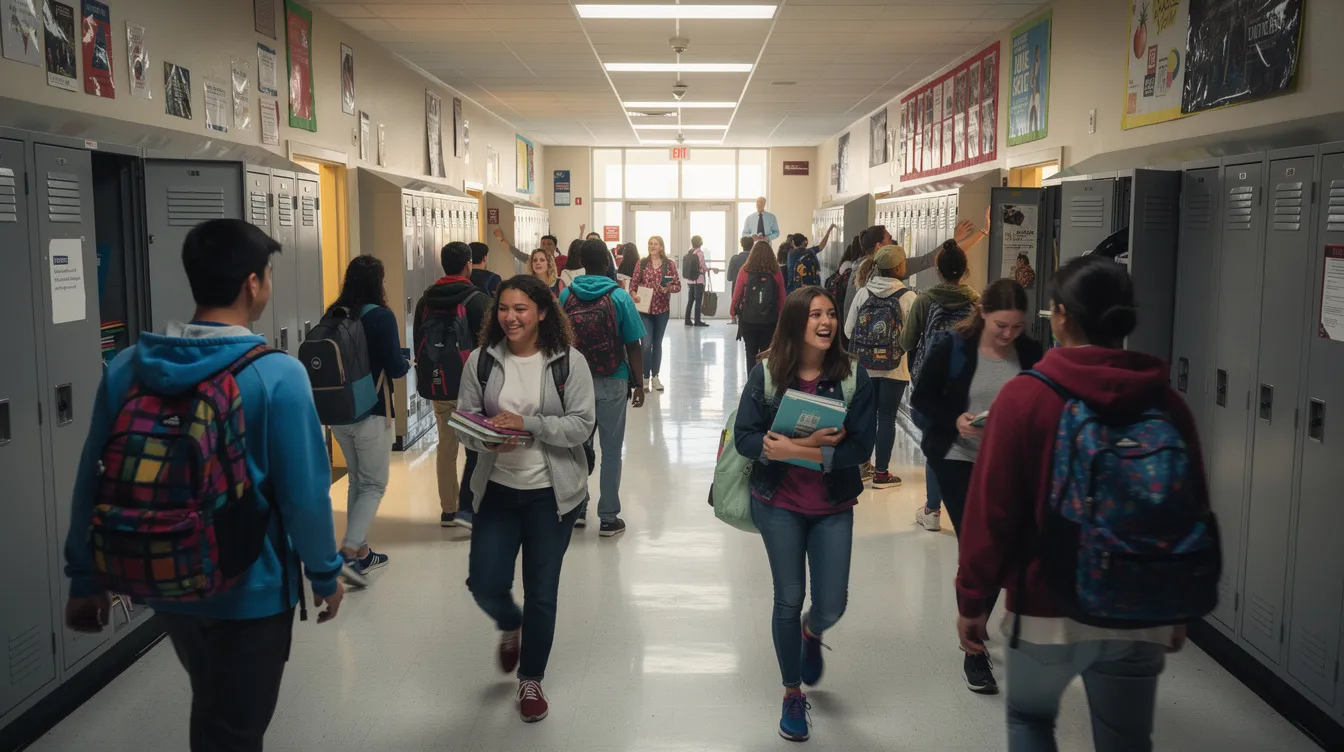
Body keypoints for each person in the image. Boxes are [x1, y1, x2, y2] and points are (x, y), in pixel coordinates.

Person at [62, 218, 345, 751]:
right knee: (234, 729)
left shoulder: (128, 366)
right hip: (249, 587)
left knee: (215, 706)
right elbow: (305, 495)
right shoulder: (276, 375)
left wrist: (84, 575)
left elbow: (91, 482)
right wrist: (325, 573)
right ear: (252, 284)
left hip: (163, 573)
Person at [955, 256, 1202, 750]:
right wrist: (1178, 607)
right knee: (1126, 739)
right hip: (1140, 608)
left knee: (1030, 722)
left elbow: (992, 515)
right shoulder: (1167, 405)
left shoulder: (1025, 399)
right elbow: (1189, 514)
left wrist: (972, 600)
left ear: (1060, 316)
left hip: (1046, 606)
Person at [733, 286, 876, 743]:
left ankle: (812, 632)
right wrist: (807, 448)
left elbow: (859, 448)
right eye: (816, 314)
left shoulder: (854, 376)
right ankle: (792, 692)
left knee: (832, 601)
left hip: (832, 504)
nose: (827, 322)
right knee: (788, 598)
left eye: (832, 313)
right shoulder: (768, 374)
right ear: (797, 321)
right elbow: (746, 438)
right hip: (779, 503)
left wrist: (796, 448)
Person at [455, 274, 596, 724]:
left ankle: (531, 679)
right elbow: (463, 421)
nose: (510, 317)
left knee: (542, 592)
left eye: (520, 309)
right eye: (503, 309)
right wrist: (484, 440)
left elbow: (581, 426)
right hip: (497, 489)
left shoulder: (567, 363)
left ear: (540, 313)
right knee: (484, 581)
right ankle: (509, 622)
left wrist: (529, 425)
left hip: (550, 495)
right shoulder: (481, 360)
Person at [911, 277, 1042, 694]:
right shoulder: (952, 347)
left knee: (1004, 548)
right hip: (958, 459)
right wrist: (955, 420)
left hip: (1009, 463)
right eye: (1001, 325)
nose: (1008, 334)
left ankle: (980, 621)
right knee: (977, 548)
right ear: (983, 312)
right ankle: (974, 649)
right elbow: (921, 401)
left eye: (1016, 327)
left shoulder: (1032, 353)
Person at [326, 256, 411, 584]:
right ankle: (347, 553)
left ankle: (361, 552)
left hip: (337, 412)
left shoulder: (333, 314)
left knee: (358, 481)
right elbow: (394, 367)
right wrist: (406, 362)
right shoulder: (381, 317)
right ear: (379, 281)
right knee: (374, 484)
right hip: (371, 411)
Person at [560, 239, 646, 536]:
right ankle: (608, 518)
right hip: (613, 378)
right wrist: (639, 383)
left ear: (582, 260)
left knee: (578, 447)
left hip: (576, 382)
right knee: (611, 451)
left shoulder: (566, 295)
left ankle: (579, 508)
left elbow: (558, 343)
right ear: (608, 262)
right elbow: (633, 343)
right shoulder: (619, 296)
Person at [900, 241, 980, 532]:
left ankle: (933, 510)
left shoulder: (924, 300)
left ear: (938, 269)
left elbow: (907, 342)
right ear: (965, 270)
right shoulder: (976, 301)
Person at [418, 241, 493, 530]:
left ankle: (448, 510)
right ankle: (470, 507)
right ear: (468, 265)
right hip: (473, 386)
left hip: (441, 383)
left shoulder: (427, 300)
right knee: (476, 449)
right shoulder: (479, 300)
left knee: (446, 448)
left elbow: (420, 344)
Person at [844, 245, 917, 490]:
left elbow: (847, 331)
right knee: (886, 417)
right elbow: (914, 338)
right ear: (898, 268)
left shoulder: (863, 293)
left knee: (865, 415)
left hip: (864, 367)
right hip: (895, 369)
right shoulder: (908, 297)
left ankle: (863, 465)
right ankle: (882, 474)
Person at [630, 234, 681, 392]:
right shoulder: (642, 263)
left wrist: (668, 288)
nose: (652, 246)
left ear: (661, 247)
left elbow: (678, 286)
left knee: (657, 343)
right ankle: (645, 378)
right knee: (645, 344)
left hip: (662, 309)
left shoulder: (669, 264)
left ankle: (656, 377)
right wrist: (634, 296)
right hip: (644, 309)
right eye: (650, 243)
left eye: (656, 244)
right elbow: (632, 285)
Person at [730, 240, 786, 367]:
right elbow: (782, 297)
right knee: (766, 354)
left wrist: (733, 312)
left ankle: (752, 384)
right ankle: (764, 383)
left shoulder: (744, 270)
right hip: (769, 319)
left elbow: (737, 293)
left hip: (748, 319)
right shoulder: (776, 271)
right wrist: (782, 316)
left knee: (750, 354)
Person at [786, 225, 834, 292]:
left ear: (793, 244)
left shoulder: (790, 254)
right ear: (803, 242)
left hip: (793, 288)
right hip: (809, 288)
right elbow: (821, 246)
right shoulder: (810, 252)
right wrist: (828, 231)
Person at [684, 235, 710, 327]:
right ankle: (697, 321)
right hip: (698, 280)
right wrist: (709, 269)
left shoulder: (690, 252)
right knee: (698, 301)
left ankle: (687, 320)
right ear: (700, 243)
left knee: (690, 300)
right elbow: (702, 266)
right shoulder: (700, 253)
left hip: (690, 280)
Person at [726, 236, 752, 324]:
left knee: (736, 298)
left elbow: (729, 277)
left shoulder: (735, 258)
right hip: (753, 286)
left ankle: (734, 318)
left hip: (736, 285)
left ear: (741, 245)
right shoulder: (755, 259)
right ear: (752, 245)